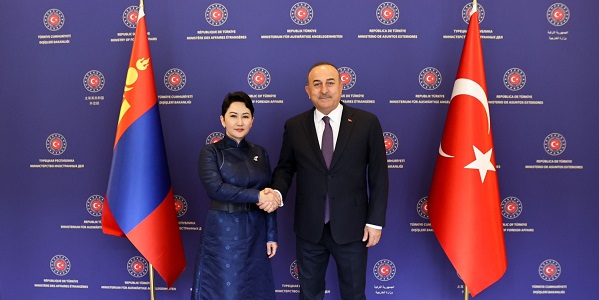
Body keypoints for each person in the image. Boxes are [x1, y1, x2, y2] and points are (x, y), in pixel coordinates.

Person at [271, 62, 389, 300]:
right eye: (317, 84)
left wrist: (375, 221)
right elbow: (285, 169)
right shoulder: (294, 126)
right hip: (309, 229)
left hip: (353, 228)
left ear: (341, 86)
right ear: (308, 91)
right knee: (309, 294)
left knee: (354, 294)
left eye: (330, 83)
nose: (323, 89)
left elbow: (379, 176)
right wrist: (276, 192)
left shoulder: (367, 122)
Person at [191, 91, 281, 300]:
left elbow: (268, 193)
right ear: (223, 120)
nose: (239, 122)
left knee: (257, 291)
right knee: (225, 292)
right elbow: (216, 188)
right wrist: (258, 196)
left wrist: (271, 234)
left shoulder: (260, 152)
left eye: (245, 116)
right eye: (233, 116)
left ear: (252, 121)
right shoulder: (211, 152)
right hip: (224, 234)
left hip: (256, 232)